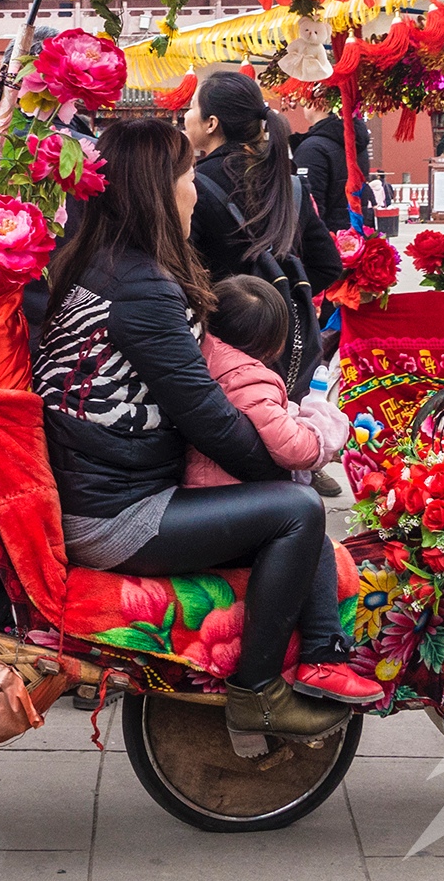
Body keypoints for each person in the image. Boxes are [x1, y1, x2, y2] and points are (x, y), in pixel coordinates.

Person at [34, 118, 383, 754]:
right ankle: (259, 693)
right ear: (156, 191)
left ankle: (319, 652)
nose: (197, 188)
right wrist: (282, 471)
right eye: (188, 174)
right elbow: (211, 421)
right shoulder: (142, 290)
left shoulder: (99, 265)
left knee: (286, 503)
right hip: (116, 517)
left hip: (104, 494)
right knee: (298, 511)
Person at [183, 71, 343, 495]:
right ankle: (300, 479)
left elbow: (184, 274)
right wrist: (286, 293)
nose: (187, 115)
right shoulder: (289, 181)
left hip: (222, 347)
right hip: (285, 342)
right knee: (283, 428)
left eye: (193, 107)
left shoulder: (194, 186)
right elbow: (328, 264)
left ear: (212, 123)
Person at [182, 275, 349, 490]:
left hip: (197, 484)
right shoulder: (250, 381)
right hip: (230, 492)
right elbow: (296, 450)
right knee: (305, 503)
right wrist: (324, 424)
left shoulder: (196, 356)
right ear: (273, 340)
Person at [292, 105, 371, 233]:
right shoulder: (358, 145)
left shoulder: (312, 149)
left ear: (321, 104)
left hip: (325, 243)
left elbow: (307, 210)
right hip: (352, 239)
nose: (302, 105)